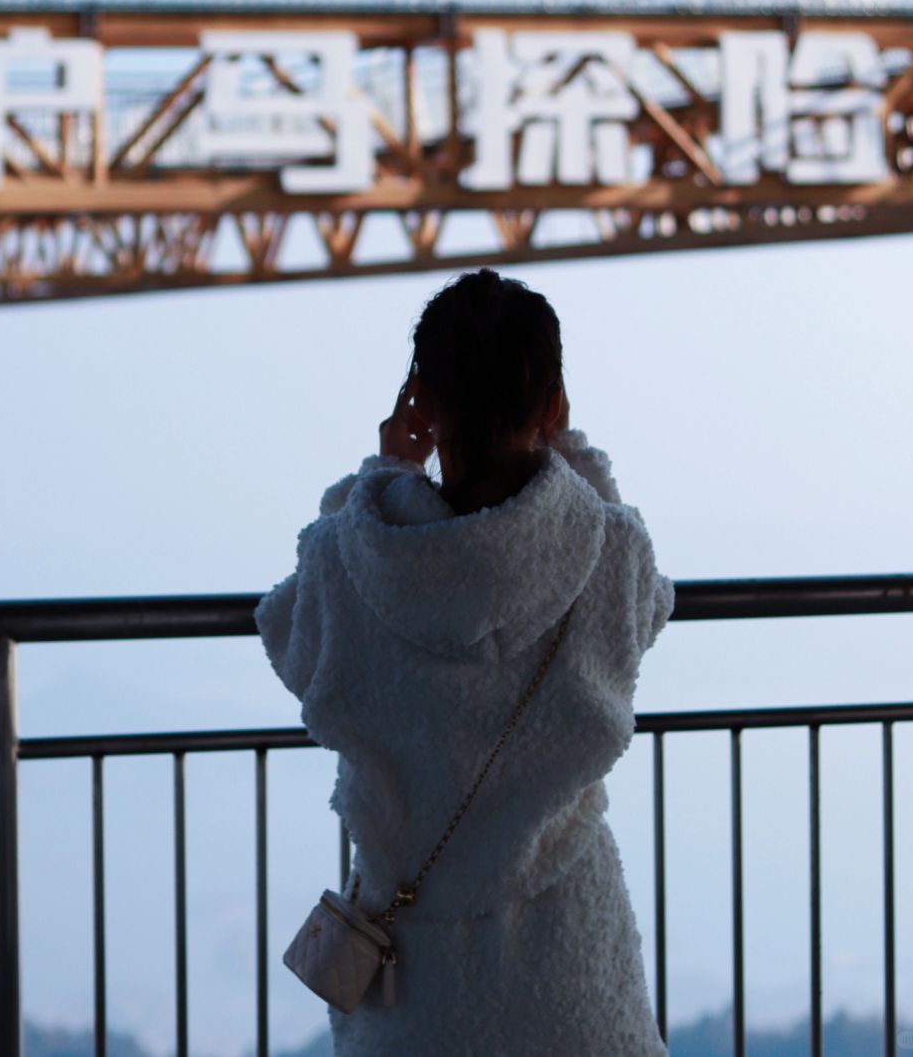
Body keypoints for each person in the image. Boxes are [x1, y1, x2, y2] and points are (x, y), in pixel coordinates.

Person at [255, 267, 674, 1056]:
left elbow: (289, 635)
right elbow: (644, 604)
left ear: (424, 403)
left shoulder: (354, 561)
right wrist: (568, 457)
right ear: (552, 407)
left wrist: (381, 478)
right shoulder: (609, 554)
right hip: (573, 985)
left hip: (417, 992)